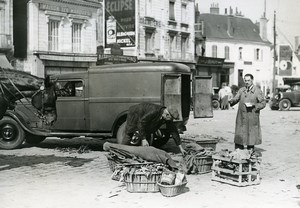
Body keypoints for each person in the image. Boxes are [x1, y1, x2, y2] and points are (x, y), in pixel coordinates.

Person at [121, 102, 186, 155]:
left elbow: (173, 131)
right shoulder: (154, 111)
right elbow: (141, 123)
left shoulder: (166, 116)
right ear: (167, 115)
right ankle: (121, 150)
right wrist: (143, 139)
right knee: (129, 133)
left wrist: (180, 148)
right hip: (135, 113)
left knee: (148, 133)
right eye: (171, 119)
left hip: (143, 118)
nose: (170, 120)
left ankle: (144, 153)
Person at [228, 74, 266, 150]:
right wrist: (231, 101)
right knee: (240, 135)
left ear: (252, 80)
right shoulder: (241, 90)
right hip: (241, 117)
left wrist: (254, 105)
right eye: (245, 80)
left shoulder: (257, 91)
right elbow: (236, 99)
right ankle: (239, 153)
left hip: (251, 116)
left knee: (250, 136)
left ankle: (250, 152)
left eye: (248, 80)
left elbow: (263, 103)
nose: (247, 82)